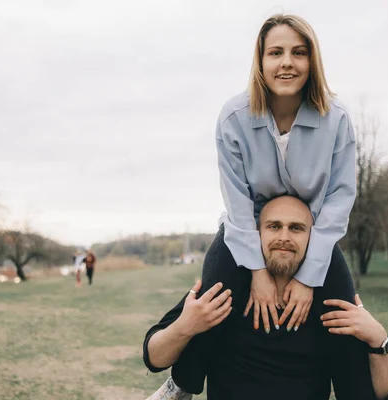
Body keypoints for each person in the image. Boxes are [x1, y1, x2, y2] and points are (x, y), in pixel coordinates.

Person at [151, 12, 361, 396]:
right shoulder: (234, 117)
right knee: (215, 295)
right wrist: (258, 272)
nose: (287, 62)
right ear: (260, 62)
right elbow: (235, 200)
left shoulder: (338, 120)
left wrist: (307, 276)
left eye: (299, 53)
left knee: (344, 309)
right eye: (275, 52)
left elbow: (340, 197)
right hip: (246, 231)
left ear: (312, 62)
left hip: (309, 237)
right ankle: (181, 384)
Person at [143, 196, 388, 400]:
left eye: (297, 228)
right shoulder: (226, 291)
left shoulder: (327, 304)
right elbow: (154, 357)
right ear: (257, 234)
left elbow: (381, 396)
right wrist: (185, 327)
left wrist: (379, 340)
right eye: (274, 226)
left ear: (314, 239)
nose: (284, 237)